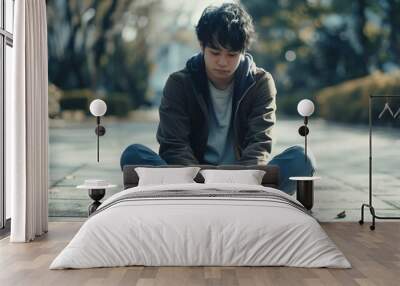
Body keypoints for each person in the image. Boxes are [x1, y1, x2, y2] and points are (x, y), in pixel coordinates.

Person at [120, 3, 316, 195]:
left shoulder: (260, 83)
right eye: (215, 53)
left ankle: (212, 201)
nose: (222, 62)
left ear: (243, 51)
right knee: (133, 155)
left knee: (302, 158)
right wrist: (201, 183)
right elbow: (174, 146)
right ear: (202, 46)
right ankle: (230, 202)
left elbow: (259, 143)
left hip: (243, 179)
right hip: (192, 179)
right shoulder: (179, 83)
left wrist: (239, 182)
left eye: (232, 54)